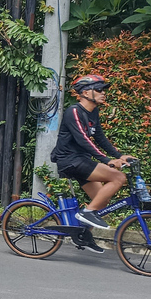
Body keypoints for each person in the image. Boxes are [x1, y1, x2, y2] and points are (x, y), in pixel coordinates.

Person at [51, 74, 134, 252]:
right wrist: (107, 160)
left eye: (103, 90)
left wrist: (120, 155)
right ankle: (86, 213)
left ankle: (82, 236)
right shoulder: (74, 111)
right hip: (70, 160)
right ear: (85, 92)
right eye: (99, 89)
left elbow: (100, 138)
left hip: (81, 161)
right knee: (118, 177)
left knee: (101, 201)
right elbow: (83, 140)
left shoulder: (93, 112)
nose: (103, 93)